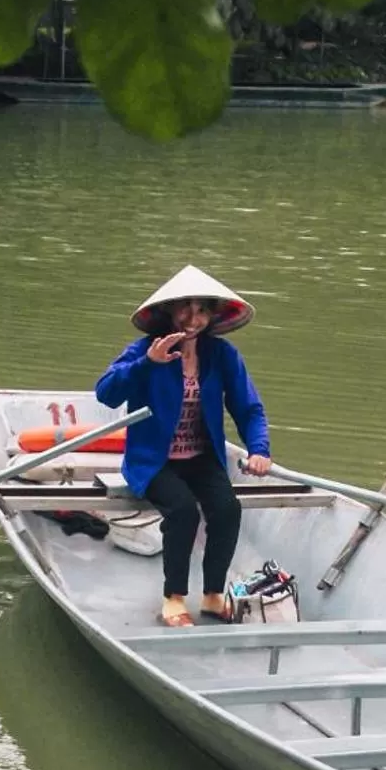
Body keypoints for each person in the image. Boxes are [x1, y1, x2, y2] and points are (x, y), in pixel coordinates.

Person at [94, 263, 272, 627]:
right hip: (153, 459)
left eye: (202, 309)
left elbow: (248, 406)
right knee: (183, 511)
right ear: (168, 312)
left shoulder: (222, 356)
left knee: (227, 510)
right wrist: (147, 364)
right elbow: (106, 393)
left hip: (201, 456)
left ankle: (212, 595)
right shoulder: (145, 349)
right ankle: (173, 598)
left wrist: (258, 449)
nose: (194, 318)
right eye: (185, 308)